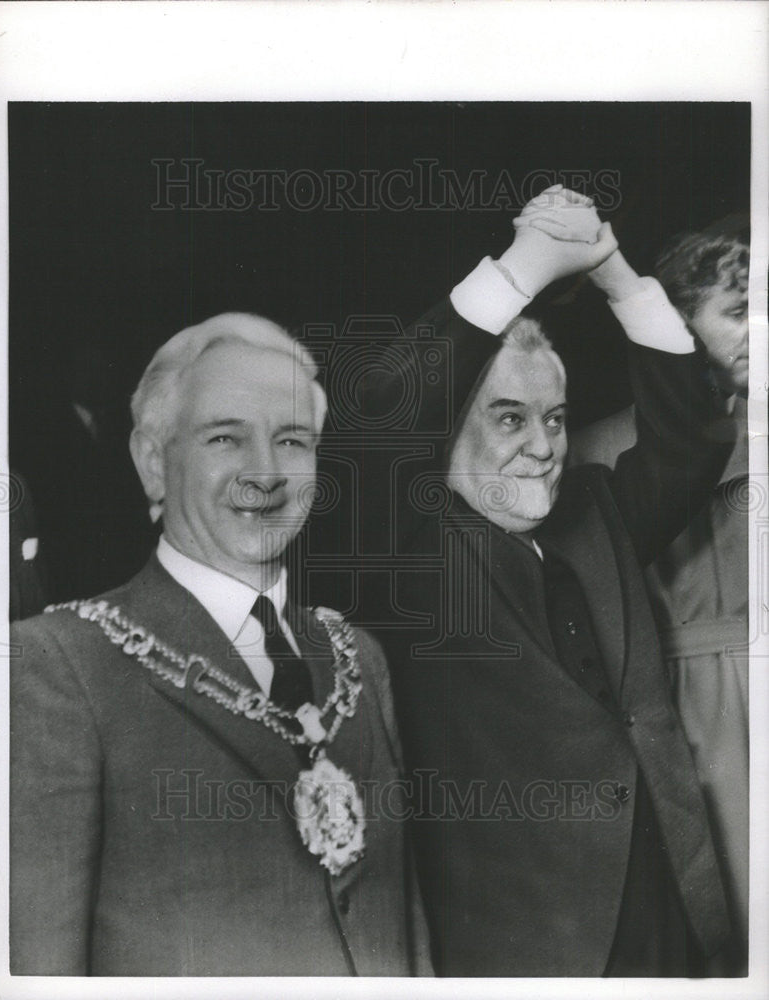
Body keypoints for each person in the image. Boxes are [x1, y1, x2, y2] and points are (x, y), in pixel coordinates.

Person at [351, 187, 735, 976]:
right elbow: (387, 411)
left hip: (661, 904)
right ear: (448, 428)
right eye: (508, 417)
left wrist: (616, 277)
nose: (542, 445)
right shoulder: (408, 543)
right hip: (522, 938)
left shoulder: (594, 516)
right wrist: (524, 267)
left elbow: (692, 437)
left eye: (555, 417)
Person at [10, 313, 430, 976]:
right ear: (154, 461)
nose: (265, 474)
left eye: (291, 439)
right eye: (225, 438)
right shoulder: (59, 666)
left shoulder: (358, 658)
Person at [570, 222, 750, 975]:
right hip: (684, 709)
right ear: (677, 323)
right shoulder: (598, 451)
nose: (761, 332)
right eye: (739, 309)